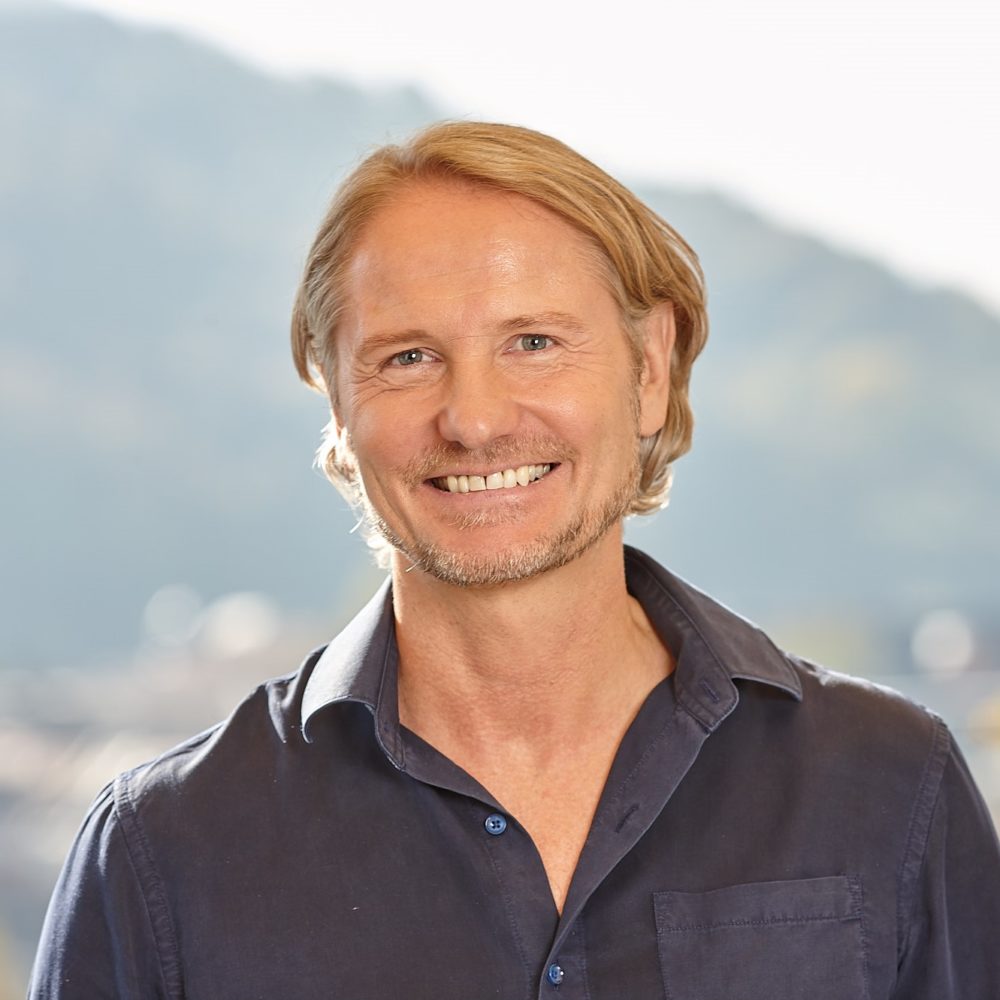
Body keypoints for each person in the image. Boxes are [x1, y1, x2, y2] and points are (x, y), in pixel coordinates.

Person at [30, 122, 1000, 999]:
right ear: (336, 400)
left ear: (650, 369)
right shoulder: (162, 854)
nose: (475, 420)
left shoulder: (887, 784)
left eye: (533, 342)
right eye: (407, 357)